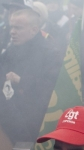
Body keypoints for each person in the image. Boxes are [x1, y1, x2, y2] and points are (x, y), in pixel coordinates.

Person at [0, 8, 62, 143]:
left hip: (33, 126)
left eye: (18, 28)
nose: (12, 32)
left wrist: (21, 81)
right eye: (11, 27)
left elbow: (52, 88)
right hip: (8, 119)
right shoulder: (12, 49)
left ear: (34, 29)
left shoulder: (50, 53)